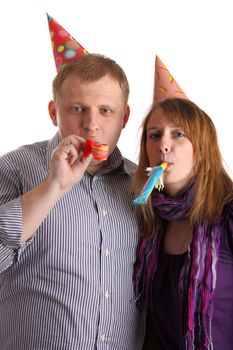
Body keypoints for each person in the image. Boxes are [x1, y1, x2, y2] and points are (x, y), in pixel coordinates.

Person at [0, 50, 146, 348]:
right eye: (77, 108)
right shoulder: (15, 168)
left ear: (125, 117)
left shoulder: (140, 186)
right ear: (54, 112)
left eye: (106, 110)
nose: (91, 124)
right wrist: (53, 187)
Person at [133, 97, 233, 350]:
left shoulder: (228, 212)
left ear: (201, 147)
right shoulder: (150, 223)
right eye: (154, 135)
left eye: (178, 134)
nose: (163, 145)